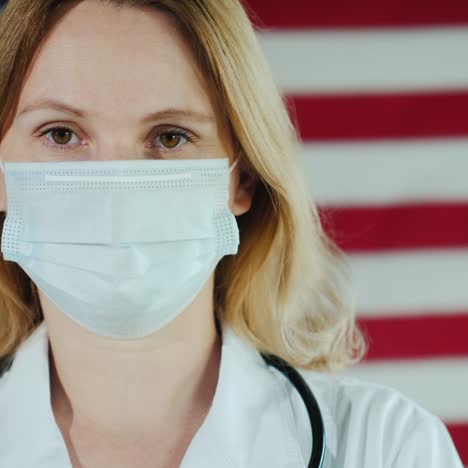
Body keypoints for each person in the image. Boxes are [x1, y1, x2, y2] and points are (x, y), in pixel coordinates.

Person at [0, 1, 463, 467]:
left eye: (170, 136)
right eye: (60, 134)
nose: (115, 192)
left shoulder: (387, 446)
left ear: (242, 180)